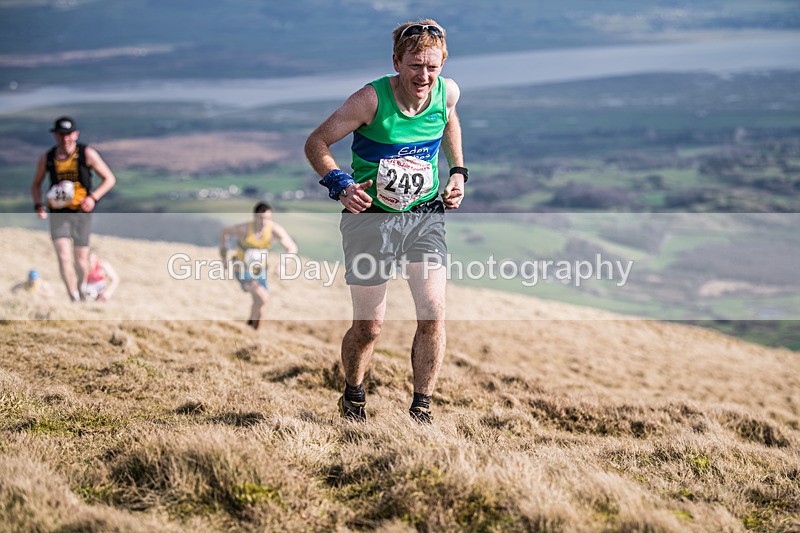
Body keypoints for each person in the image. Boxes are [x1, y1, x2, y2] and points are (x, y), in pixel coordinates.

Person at [304, 19, 468, 423]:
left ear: (442, 64)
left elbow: (449, 119)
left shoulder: (447, 91)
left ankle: (421, 410)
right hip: (370, 219)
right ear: (396, 61)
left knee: (433, 313)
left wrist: (458, 172)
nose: (423, 76)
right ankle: (353, 394)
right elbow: (316, 142)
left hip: (424, 215)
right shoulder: (370, 100)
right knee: (370, 326)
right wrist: (340, 184)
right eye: (415, 65)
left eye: (432, 67)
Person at [31, 116, 117, 302]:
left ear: (75, 134)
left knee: (81, 261)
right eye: (61, 134)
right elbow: (36, 185)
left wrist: (93, 198)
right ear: (55, 135)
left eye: (68, 134)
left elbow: (109, 179)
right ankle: (73, 296)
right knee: (63, 257)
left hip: (81, 213)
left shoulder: (87, 154)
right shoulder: (47, 158)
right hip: (58, 213)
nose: (65, 138)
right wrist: (39, 205)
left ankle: (81, 288)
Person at [219, 202, 299, 329]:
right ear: (255, 217)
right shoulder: (244, 229)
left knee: (260, 305)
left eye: (267, 218)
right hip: (242, 269)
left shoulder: (274, 230)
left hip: (260, 271)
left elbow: (292, 248)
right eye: (261, 218)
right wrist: (224, 257)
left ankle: (251, 328)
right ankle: (251, 327)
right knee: (262, 297)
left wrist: (282, 264)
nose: (264, 222)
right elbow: (224, 232)